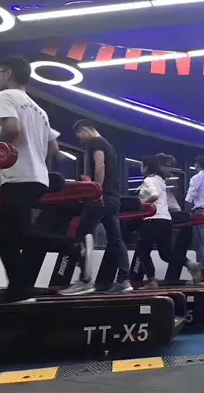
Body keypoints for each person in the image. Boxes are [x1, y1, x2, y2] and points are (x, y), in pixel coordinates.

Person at [0, 56, 60, 304]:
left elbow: (12, 129)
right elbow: (54, 148)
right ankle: (20, 289)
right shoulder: (39, 110)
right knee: (17, 234)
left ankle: (69, 246)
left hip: (18, 176)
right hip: (38, 178)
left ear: (8, 73)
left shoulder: (5, 96)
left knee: (2, 235)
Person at [60, 120, 132, 295]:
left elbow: (100, 165)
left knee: (82, 234)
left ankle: (85, 281)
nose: (79, 139)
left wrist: (96, 191)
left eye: (79, 135)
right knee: (116, 239)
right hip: (113, 198)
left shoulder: (96, 142)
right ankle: (124, 280)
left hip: (102, 197)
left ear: (85, 130)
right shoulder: (109, 146)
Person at [136, 156, 203, 287]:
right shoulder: (160, 180)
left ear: (147, 167)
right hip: (166, 221)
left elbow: (154, 195)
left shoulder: (149, 180)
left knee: (142, 251)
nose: (140, 168)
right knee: (166, 254)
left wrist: (142, 205)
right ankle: (190, 264)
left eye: (141, 165)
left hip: (152, 220)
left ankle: (151, 281)